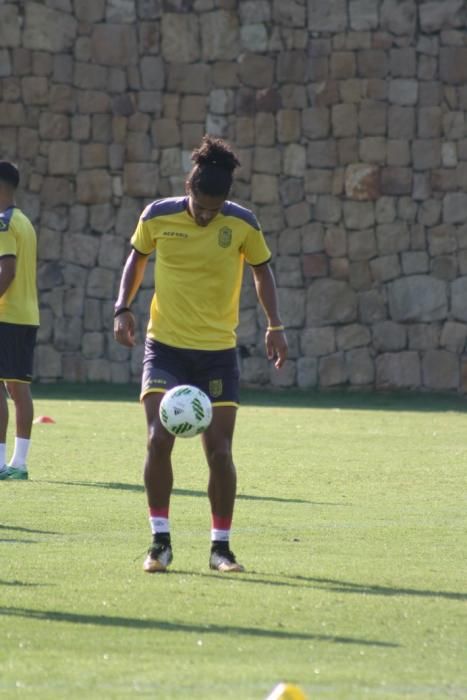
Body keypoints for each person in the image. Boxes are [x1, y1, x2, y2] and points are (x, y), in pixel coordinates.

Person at [114, 136, 288, 573]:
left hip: (216, 354)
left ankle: (221, 549)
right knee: (158, 439)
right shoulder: (158, 215)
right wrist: (122, 308)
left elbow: (261, 272)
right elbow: (136, 260)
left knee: (220, 453)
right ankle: (159, 544)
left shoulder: (243, 223)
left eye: (215, 208)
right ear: (189, 191)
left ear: (226, 199)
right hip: (166, 348)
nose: (207, 215)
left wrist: (275, 325)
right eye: (200, 206)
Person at [0, 161, 40, 481]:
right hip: (26, 314)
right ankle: (17, 461)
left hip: (7, 315)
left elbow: (8, 271)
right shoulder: (24, 221)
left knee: (7, 389)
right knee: (18, 388)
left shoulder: (3, 222)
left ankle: (7, 462)